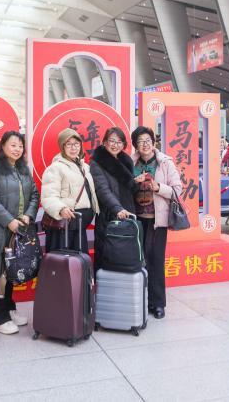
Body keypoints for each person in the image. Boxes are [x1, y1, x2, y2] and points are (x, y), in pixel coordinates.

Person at [0, 131, 39, 335]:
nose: (17, 149)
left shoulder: (23, 169)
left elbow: (34, 194)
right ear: (2, 146)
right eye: (13, 145)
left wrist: (28, 215)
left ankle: (9, 309)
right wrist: (9, 221)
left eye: (20, 146)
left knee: (12, 269)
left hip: (18, 230)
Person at [131, 126, 182, 319]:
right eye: (140, 141)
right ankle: (140, 301)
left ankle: (158, 303)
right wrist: (133, 183)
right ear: (135, 145)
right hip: (136, 221)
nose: (144, 144)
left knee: (156, 260)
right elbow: (122, 188)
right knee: (138, 260)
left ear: (153, 142)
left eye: (147, 140)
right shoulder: (130, 162)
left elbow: (177, 190)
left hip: (157, 221)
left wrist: (158, 187)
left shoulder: (165, 162)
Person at [89, 127, 144, 270]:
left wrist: (136, 182)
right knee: (107, 255)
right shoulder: (97, 163)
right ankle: (104, 283)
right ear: (104, 142)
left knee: (125, 255)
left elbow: (128, 189)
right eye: (112, 141)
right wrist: (117, 208)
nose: (115, 145)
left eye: (119, 142)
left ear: (124, 144)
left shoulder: (125, 161)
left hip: (128, 214)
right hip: (109, 215)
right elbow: (103, 190)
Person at [41, 128, 99, 255]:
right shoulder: (55, 168)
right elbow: (48, 196)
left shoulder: (85, 167)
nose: (73, 148)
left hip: (79, 225)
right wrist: (61, 209)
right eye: (69, 144)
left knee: (79, 261)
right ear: (62, 147)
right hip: (63, 226)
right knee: (62, 262)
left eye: (76, 144)